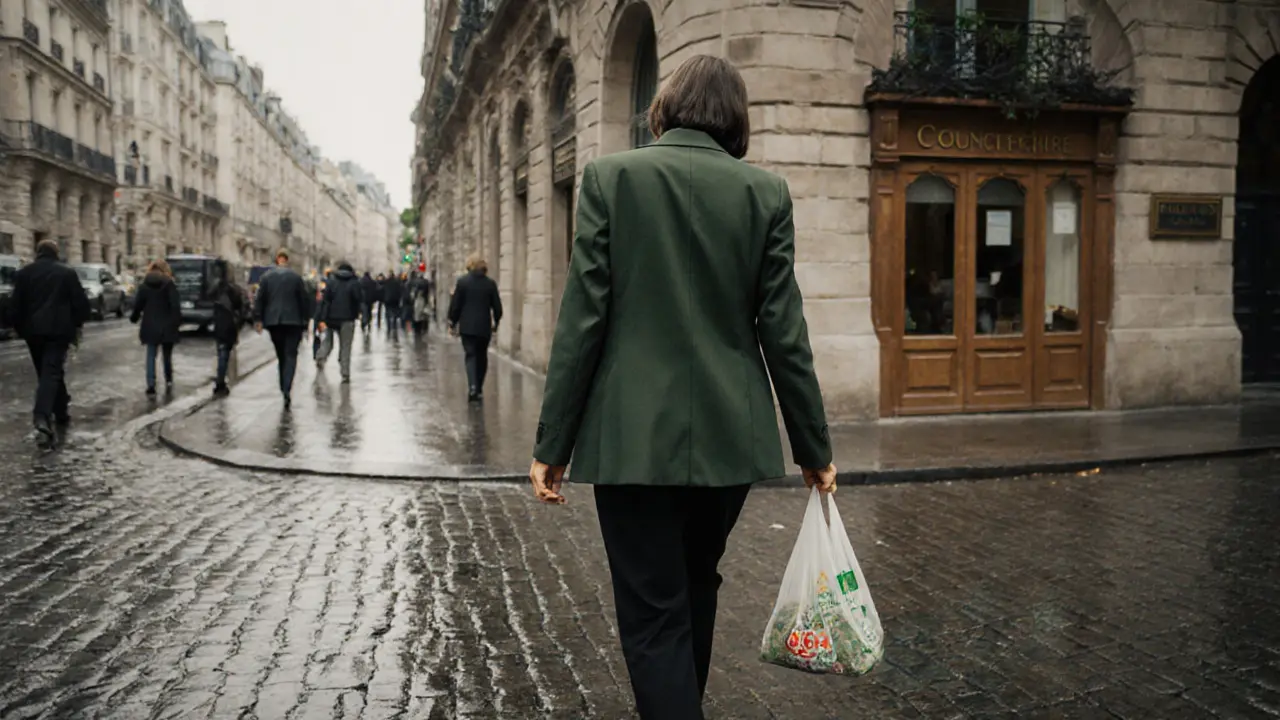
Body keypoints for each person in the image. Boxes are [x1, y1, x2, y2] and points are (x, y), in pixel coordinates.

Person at [527, 55, 837, 720]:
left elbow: (583, 318)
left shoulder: (611, 179)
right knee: (696, 586)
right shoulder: (766, 194)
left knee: (652, 612)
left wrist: (552, 442)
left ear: (663, 108)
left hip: (632, 439)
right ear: (737, 119)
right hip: (729, 437)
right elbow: (785, 330)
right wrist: (815, 449)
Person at [4, 239, 90, 443]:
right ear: (56, 253)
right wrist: (77, 324)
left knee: (47, 371)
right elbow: (81, 304)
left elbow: (16, 304)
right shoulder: (66, 273)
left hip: (33, 332)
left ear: (38, 252)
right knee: (51, 371)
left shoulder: (25, 273)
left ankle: (60, 412)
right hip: (58, 331)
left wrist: (17, 327)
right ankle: (42, 416)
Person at [254, 248, 313, 408]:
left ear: (276, 260)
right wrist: (306, 321)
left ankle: (283, 386)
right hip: (293, 321)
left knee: (281, 355)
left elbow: (260, 299)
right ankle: (287, 387)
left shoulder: (266, 278)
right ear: (287, 260)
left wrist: (258, 319)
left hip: (274, 322)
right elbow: (304, 300)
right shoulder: (296, 278)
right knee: (291, 355)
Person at [447, 254, 502, 401]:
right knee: (482, 356)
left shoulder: (463, 282)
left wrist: (452, 321)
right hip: (484, 326)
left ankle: (472, 386)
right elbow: (497, 307)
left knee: (470, 355)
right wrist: (496, 322)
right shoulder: (490, 284)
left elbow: (456, 305)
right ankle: (478, 387)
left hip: (467, 327)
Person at [130, 259, 182, 396]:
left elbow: (138, 305)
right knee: (167, 355)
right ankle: (169, 379)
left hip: (150, 324)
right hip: (167, 324)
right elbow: (175, 305)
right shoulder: (169, 284)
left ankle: (151, 385)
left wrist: (134, 318)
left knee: (151, 355)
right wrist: (177, 322)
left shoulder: (144, 285)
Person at [317, 261, 364, 382]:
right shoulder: (354, 282)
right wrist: (358, 313)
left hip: (331, 318)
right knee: (346, 346)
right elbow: (358, 299)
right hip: (348, 319)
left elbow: (326, 301)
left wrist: (323, 318)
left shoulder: (332, 282)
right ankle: (345, 373)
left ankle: (320, 357)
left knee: (328, 341)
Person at [210, 260, 246, 397]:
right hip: (229, 324)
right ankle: (220, 382)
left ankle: (220, 381)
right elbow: (241, 307)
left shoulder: (217, 288)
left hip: (220, 323)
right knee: (224, 353)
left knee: (222, 353)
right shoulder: (233, 289)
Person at [381, 270, 404, 340]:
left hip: (387, 300)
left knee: (388, 313)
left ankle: (388, 326)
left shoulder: (386, 282)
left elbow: (383, 290)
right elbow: (400, 291)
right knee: (395, 313)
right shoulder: (397, 282)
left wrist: (383, 298)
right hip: (395, 300)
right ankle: (394, 325)